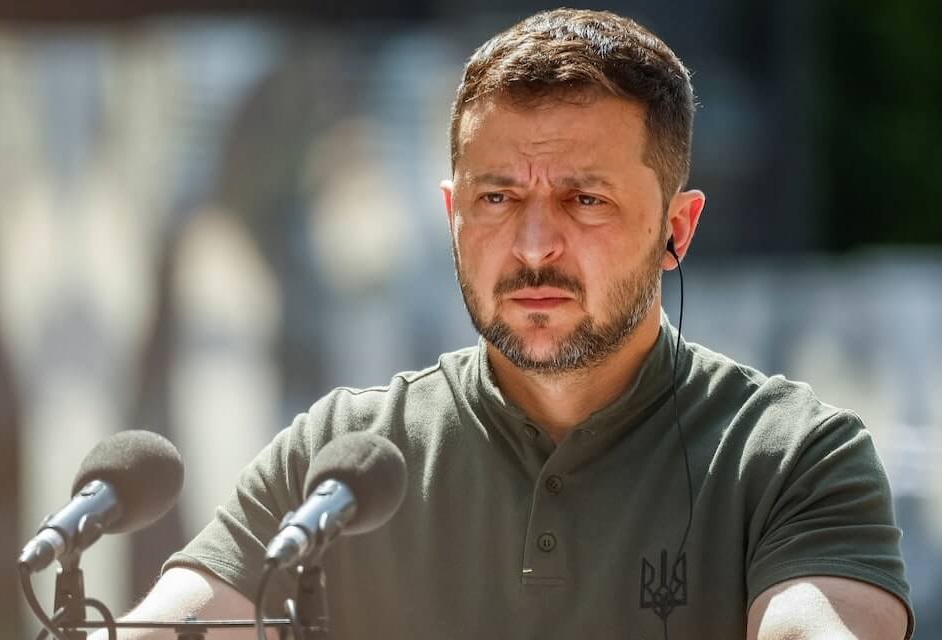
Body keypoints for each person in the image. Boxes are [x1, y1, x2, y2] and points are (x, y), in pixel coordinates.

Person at [101, 8, 913, 639]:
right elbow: (175, 622)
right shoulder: (343, 461)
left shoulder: (792, 456)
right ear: (451, 215)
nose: (532, 245)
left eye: (584, 199)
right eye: (497, 198)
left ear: (677, 227)